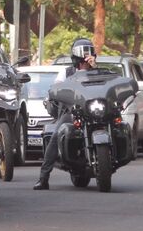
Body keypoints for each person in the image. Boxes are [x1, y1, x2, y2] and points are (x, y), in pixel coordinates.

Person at [34, 37, 97, 190]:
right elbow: (55, 89)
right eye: (82, 59)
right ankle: (43, 177)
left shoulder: (98, 71)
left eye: (88, 57)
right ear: (75, 58)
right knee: (56, 136)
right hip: (72, 112)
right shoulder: (66, 72)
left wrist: (94, 68)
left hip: (94, 112)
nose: (85, 61)